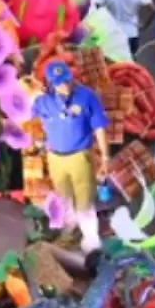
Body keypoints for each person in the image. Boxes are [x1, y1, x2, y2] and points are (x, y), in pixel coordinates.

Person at [31, 59, 112, 252]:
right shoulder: (43, 102)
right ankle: (70, 232)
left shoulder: (87, 96)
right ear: (50, 83)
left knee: (84, 200)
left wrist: (106, 158)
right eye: (59, 83)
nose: (65, 85)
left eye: (67, 80)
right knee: (64, 197)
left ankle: (92, 242)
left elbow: (99, 128)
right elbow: (30, 120)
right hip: (55, 158)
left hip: (80, 156)